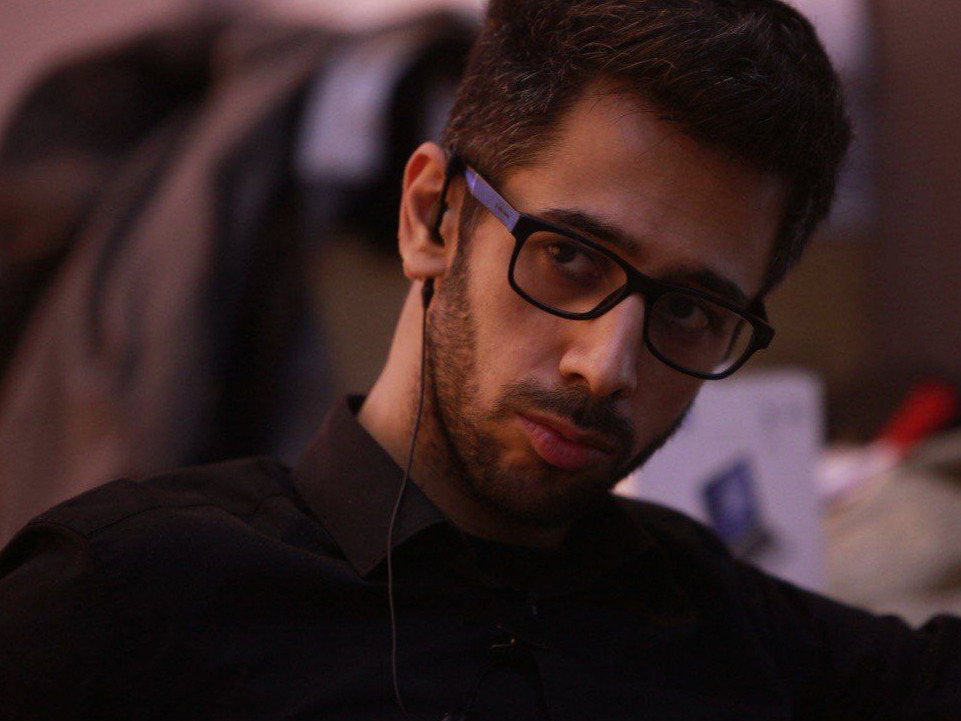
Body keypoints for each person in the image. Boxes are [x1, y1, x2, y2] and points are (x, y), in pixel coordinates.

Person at [1, 1, 958, 719]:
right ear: (431, 217)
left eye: (689, 310)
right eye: (569, 257)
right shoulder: (120, 598)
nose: (606, 367)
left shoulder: (728, 625)